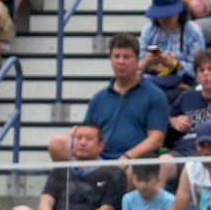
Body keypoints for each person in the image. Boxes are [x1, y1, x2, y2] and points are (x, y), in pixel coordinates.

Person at [50, 34, 168, 163]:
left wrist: (127, 158)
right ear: (110, 59)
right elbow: (88, 131)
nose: (120, 61)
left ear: (137, 60)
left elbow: (156, 139)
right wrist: (77, 133)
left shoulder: (155, 95)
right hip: (99, 160)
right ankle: (85, 172)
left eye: (126, 57)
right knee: (57, 144)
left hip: (133, 162)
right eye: (116, 56)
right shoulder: (99, 98)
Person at [14, 121, 127, 210]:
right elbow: (45, 202)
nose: (82, 143)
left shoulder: (114, 173)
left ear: (100, 145)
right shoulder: (60, 171)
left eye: (89, 139)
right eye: (78, 138)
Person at [139, 0, 207, 102]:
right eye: (161, 15)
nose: (165, 18)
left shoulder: (193, 32)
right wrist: (147, 61)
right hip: (152, 83)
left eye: (170, 14)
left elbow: (200, 69)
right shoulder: (149, 31)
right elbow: (137, 67)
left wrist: (175, 64)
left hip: (184, 87)